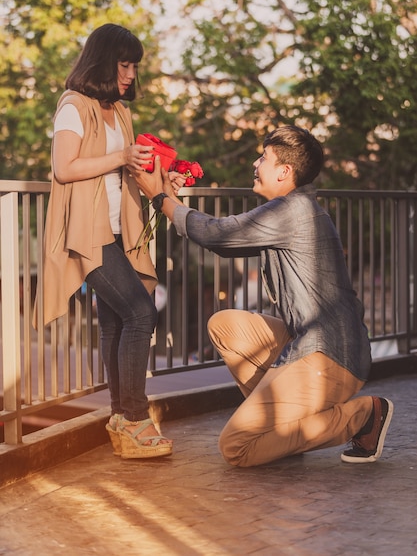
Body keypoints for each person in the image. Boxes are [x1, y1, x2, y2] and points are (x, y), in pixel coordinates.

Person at [133, 124, 394, 467]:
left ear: (285, 172)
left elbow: (218, 235)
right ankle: (283, 432)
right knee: (225, 325)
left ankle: (363, 417)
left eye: (263, 158)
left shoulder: (292, 212)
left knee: (236, 447)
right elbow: (223, 240)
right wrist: (170, 198)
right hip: (311, 342)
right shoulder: (291, 209)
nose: (255, 164)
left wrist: (160, 198)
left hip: (332, 355)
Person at [34, 23, 184, 459]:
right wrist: (120, 156)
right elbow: (64, 167)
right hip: (88, 231)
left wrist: (163, 178)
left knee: (117, 322)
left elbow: (128, 171)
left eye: (134, 66)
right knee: (140, 312)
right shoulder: (73, 106)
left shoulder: (119, 111)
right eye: (124, 64)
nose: (130, 74)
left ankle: (121, 421)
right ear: (103, 60)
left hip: (122, 230)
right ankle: (135, 418)